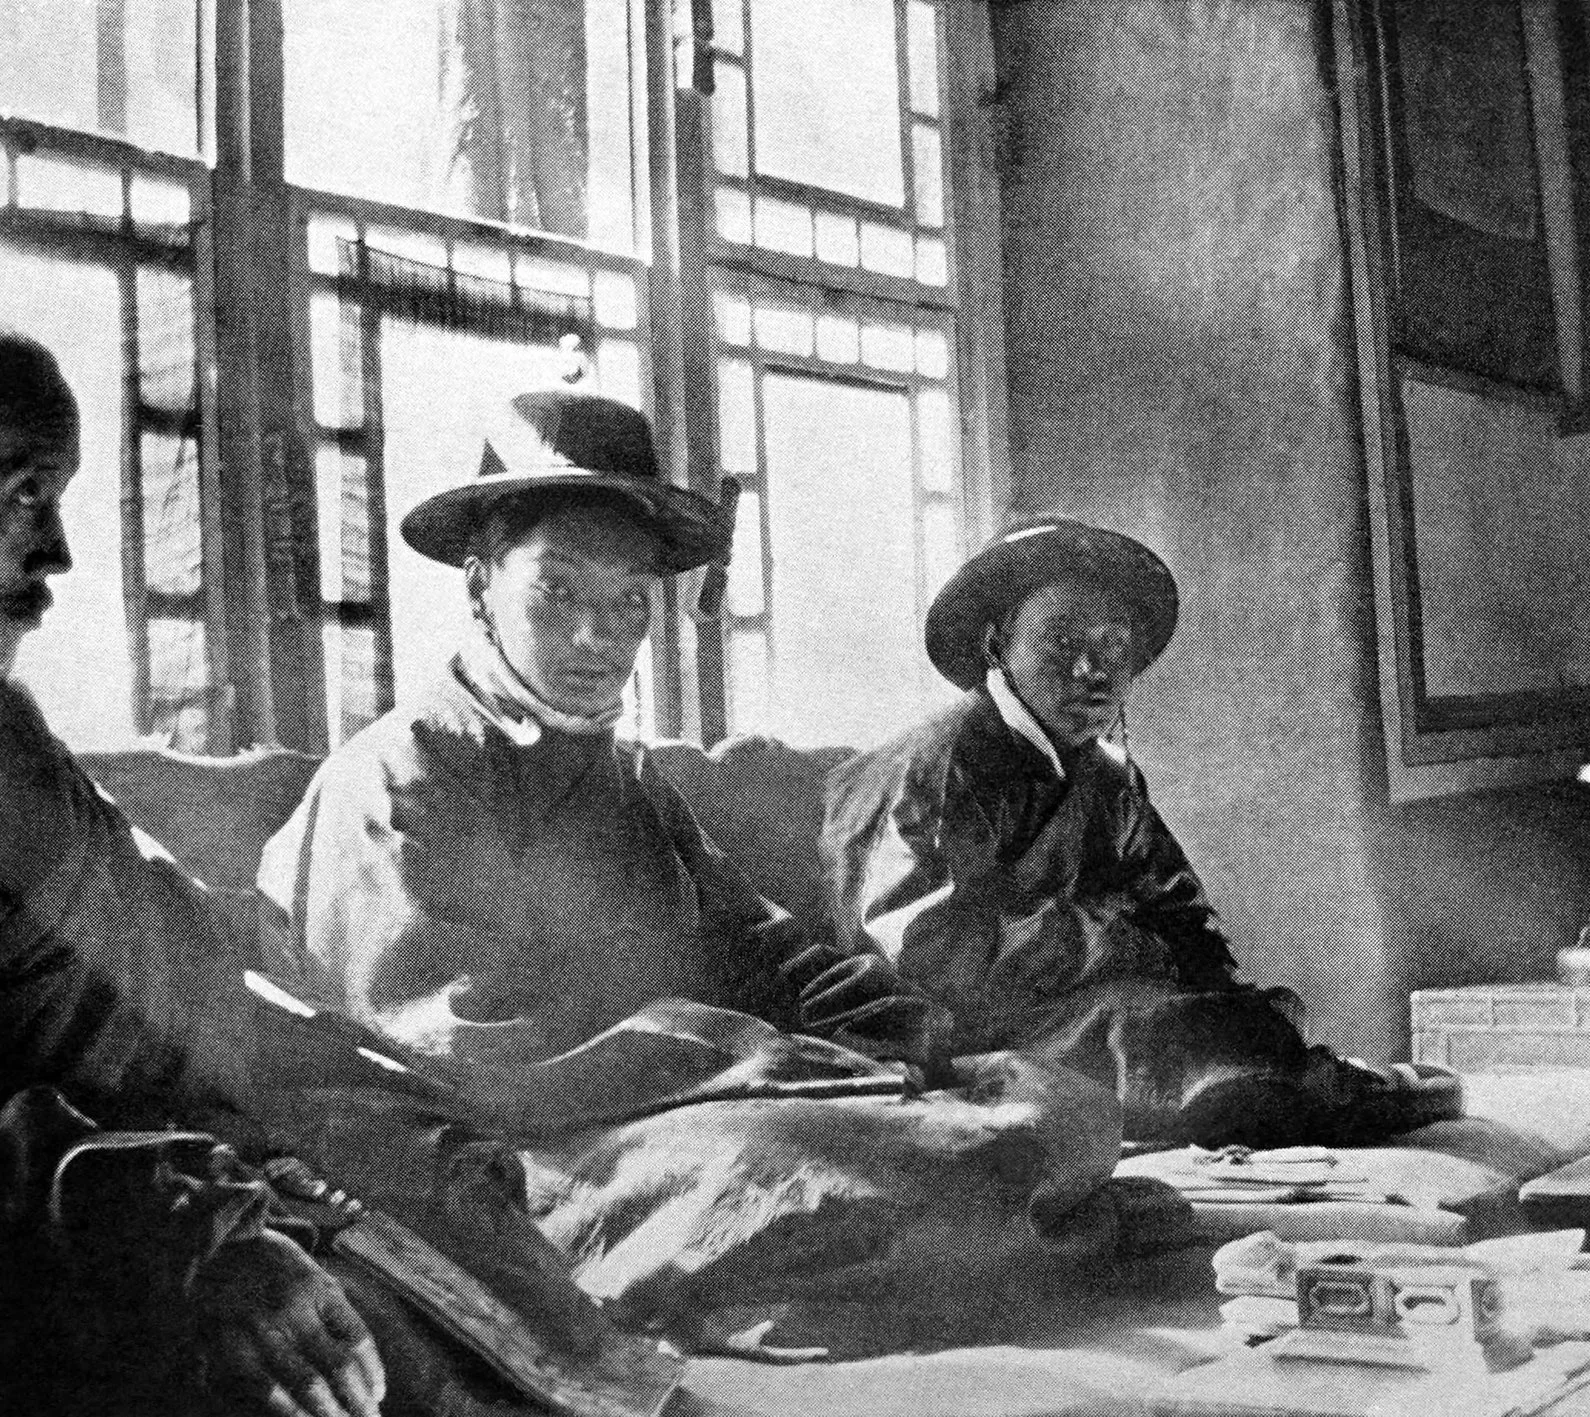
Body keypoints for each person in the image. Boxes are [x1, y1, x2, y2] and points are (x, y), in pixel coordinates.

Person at [258, 381, 1138, 1358]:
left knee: (1053, 1103)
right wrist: (765, 1066)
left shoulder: (624, 780)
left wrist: (924, 1042)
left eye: (627, 602)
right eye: (557, 592)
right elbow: (460, 1045)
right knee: (888, 1167)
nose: (597, 637)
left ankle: (909, 1246)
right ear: (480, 584)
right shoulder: (395, 777)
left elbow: (759, 945)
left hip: (687, 1106)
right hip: (520, 1150)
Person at [0, 327, 389, 1417]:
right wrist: (195, 1234)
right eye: (25, 495)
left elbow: (160, 951)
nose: (60, 554)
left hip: (211, 1156)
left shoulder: (12, 730)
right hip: (95, 1232)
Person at [818, 516, 1460, 1148]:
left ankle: (1295, 1081)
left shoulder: (1105, 775)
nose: (1093, 671)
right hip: (958, 1028)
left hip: (1080, 1007)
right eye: (1061, 641)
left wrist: (1220, 989)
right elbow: (928, 951)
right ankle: (1310, 1092)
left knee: (1237, 1014)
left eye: (1113, 646)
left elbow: (1177, 912)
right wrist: (1122, 946)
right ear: (996, 644)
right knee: (1157, 1030)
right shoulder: (933, 763)